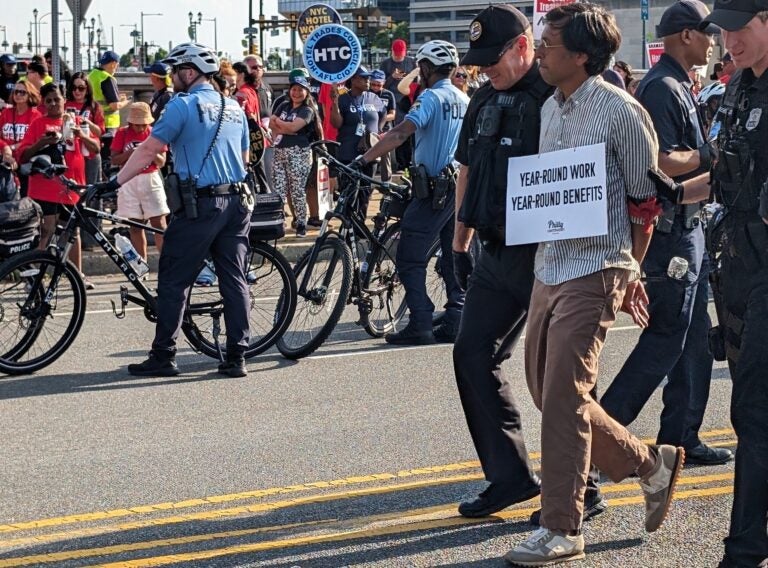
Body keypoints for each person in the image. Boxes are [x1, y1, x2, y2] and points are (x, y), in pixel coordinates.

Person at [504, 4, 684, 565]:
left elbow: (645, 201)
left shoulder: (621, 113)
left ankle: (563, 527)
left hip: (597, 266)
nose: (539, 52)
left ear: (580, 55)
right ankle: (650, 464)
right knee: (550, 391)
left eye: (549, 44)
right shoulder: (552, 108)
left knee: (562, 397)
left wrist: (630, 268)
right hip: (550, 264)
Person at [600, 0, 733, 468]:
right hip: (672, 231)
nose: (714, 39)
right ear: (683, 36)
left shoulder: (677, 82)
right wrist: (712, 155)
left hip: (689, 228)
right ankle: (602, 436)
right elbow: (659, 163)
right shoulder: (662, 87)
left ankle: (681, 438)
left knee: (693, 339)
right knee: (665, 338)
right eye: (706, 32)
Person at [448, 4, 557, 523]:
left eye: (494, 57)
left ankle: (579, 484)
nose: (484, 68)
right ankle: (511, 477)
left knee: (557, 375)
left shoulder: (553, 96)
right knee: (471, 354)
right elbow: (467, 170)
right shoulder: (484, 98)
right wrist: (458, 244)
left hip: (544, 255)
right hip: (494, 252)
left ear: (523, 47)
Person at [97, 42, 253, 379]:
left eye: (174, 71)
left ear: (189, 71)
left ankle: (164, 354)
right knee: (234, 278)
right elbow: (244, 160)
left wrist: (116, 182)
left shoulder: (182, 106)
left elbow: (150, 148)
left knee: (173, 277)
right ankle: (237, 356)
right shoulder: (234, 107)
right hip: (237, 202)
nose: (171, 78)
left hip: (202, 204)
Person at [700, 2, 768, 566]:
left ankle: (744, 551)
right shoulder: (739, 88)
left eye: (741, 27)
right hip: (740, 271)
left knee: (754, 412)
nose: (730, 40)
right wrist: (674, 190)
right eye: (724, 30)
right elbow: (724, 173)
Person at [354, 40, 469, 345]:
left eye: (421, 68)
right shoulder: (463, 98)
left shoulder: (430, 97)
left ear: (428, 68)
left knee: (408, 258)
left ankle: (420, 320)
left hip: (433, 189)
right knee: (452, 256)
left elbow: (402, 131)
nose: (420, 73)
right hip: (458, 187)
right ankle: (456, 317)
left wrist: (365, 158)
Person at [18, 83, 100, 288]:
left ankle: (78, 274)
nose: (54, 104)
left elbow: (96, 149)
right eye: (49, 101)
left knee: (73, 232)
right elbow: (23, 155)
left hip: (72, 187)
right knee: (45, 230)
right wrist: (42, 142)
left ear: (64, 100)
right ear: (44, 103)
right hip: (45, 187)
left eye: (57, 99)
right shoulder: (38, 123)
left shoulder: (78, 121)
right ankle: (34, 276)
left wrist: (82, 135)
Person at [111, 102, 168, 260]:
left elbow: (162, 161)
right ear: (130, 122)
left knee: (159, 223)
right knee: (135, 225)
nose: (141, 128)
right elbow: (114, 159)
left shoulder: (154, 133)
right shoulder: (122, 133)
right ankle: (141, 266)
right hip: (129, 178)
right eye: (137, 125)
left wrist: (149, 152)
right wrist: (130, 153)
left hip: (150, 177)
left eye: (144, 124)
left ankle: (166, 264)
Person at [329, 65, 385, 220]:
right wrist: (334, 103)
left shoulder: (374, 97)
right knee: (349, 193)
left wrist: (377, 132)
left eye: (368, 77)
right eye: (363, 77)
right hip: (348, 153)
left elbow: (383, 115)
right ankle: (348, 227)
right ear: (353, 79)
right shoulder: (343, 98)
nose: (368, 80)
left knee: (365, 194)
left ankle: (360, 229)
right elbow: (336, 123)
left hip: (370, 154)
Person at [270, 74, 318, 237]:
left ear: (307, 92)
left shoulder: (307, 110)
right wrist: (285, 127)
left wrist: (282, 125)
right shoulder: (283, 105)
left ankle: (301, 223)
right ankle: (279, 222)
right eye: (294, 89)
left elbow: (294, 127)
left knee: (297, 190)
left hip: (299, 152)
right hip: (280, 150)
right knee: (279, 189)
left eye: (300, 90)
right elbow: (271, 123)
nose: (296, 93)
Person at [0, 80, 42, 198]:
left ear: (30, 94)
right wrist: (5, 148)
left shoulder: (36, 115)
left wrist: (11, 148)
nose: (18, 95)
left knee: (24, 200)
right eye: (16, 92)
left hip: (25, 164)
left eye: (22, 92)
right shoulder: (6, 113)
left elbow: (33, 141)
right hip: (5, 163)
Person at [65, 72, 105, 185]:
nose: (77, 91)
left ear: (87, 90)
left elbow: (100, 132)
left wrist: (86, 121)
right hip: (71, 152)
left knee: (92, 188)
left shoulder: (94, 107)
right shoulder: (64, 104)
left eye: (81, 88)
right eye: (74, 87)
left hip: (89, 152)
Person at [87, 50, 130, 137]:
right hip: (108, 124)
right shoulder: (107, 78)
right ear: (113, 64)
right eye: (117, 65)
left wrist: (117, 97)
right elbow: (114, 106)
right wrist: (127, 101)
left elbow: (99, 96)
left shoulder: (91, 75)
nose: (116, 68)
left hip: (92, 121)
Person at [369, 69, 396, 183]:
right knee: (370, 157)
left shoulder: (388, 94)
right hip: (370, 130)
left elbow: (393, 114)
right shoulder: (366, 94)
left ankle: (387, 183)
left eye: (378, 84)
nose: (375, 87)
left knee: (386, 158)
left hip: (384, 130)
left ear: (383, 83)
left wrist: (383, 118)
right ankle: (368, 182)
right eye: (373, 84)